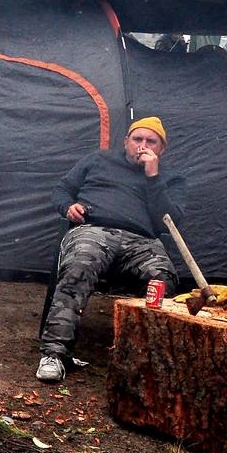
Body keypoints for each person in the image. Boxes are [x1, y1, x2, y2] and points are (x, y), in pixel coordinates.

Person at [37, 116, 183, 383]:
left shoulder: (170, 178)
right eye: (137, 139)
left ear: (162, 149)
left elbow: (168, 221)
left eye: (151, 141)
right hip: (93, 229)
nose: (142, 145)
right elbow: (62, 190)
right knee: (80, 265)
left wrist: (153, 177)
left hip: (143, 241)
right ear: (126, 141)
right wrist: (67, 207)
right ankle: (55, 354)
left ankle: (142, 359)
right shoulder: (97, 161)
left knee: (163, 278)